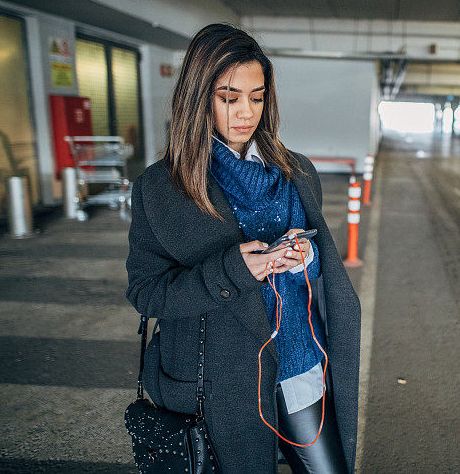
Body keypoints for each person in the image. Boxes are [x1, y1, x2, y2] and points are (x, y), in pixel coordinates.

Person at [125, 23, 361, 473]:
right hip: (220, 386)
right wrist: (233, 271)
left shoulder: (298, 172)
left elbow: (319, 276)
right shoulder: (160, 188)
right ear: (199, 97)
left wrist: (305, 260)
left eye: (257, 97)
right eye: (229, 98)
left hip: (300, 364)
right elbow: (147, 293)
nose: (245, 113)